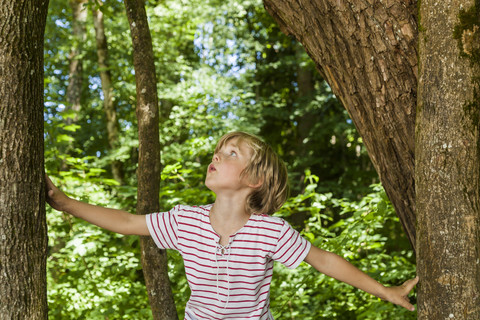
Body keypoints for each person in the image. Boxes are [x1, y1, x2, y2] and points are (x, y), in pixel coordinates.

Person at [46, 131, 418, 319]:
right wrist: (64, 202)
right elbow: (127, 221)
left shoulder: (270, 231)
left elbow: (323, 260)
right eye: (218, 152)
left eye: (231, 154)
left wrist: (385, 291)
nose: (217, 156)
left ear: (254, 179)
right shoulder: (185, 221)